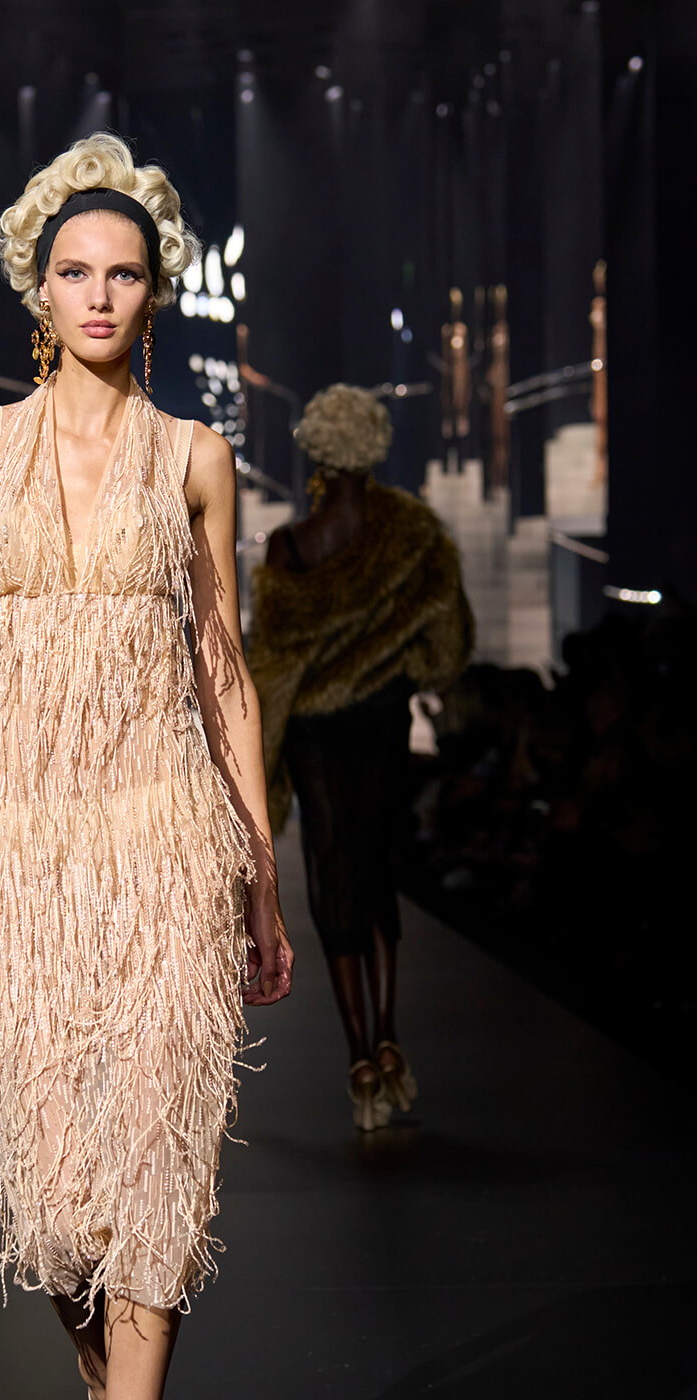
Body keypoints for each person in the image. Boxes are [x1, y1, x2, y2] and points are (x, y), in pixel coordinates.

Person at [0, 132, 291, 1400]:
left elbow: (226, 674)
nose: (99, 292)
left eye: (126, 272)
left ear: (158, 292)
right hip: (30, 846)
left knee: (156, 1185)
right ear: (35, 279)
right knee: (58, 1204)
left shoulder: (195, 454)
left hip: (164, 839)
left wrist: (261, 879)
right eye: (75, 268)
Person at [248, 384, 473, 1130]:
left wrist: (259, 756)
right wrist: (399, 668)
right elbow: (448, 644)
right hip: (379, 719)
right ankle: (390, 1037)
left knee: (331, 871)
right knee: (377, 869)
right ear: (371, 446)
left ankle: (360, 1059)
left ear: (316, 448)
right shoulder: (412, 534)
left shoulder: (291, 548)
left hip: (314, 730)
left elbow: (272, 669)